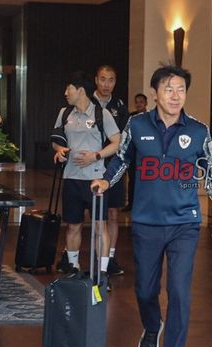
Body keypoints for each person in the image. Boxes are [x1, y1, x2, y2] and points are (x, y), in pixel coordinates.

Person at [91, 65, 212, 347]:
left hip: (185, 223)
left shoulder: (198, 130)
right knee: (145, 289)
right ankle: (152, 326)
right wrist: (104, 179)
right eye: (168, 89)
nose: (175, 95)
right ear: (155, 93)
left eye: (180, 89)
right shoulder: (137, 124)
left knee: (180, 292)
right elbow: (122, 159)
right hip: (146, 223)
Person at [52, 71, 120, 287]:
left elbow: (117, 143)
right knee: (73, 226)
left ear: (79, 90)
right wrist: (60, 149)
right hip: (71, 178)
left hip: (96, 181)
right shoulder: (64, 113)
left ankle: (101, 274)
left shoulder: (102, 114)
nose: (65, 93)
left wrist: (96, 155)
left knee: (100, 226)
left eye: (68, 89)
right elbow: (56, 140)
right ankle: (73, 268)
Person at [92, 65, 129, 276]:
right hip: (92, 164)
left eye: (111, 80)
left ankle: (111, 257)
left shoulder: (120, 106)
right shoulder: (87, 103)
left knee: (113, 213)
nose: (106, 84)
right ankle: (96, 258)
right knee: (96, 215)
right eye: (103, 79)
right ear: (96, 80)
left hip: (114, 164)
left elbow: (124, 136)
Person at [123, 93, 148, 212]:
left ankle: (144, 204)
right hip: (133, 153)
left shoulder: (150, 117)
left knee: (145, 180)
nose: (138, 104)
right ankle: (131, 203)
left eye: (141, 102)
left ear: (146, 104)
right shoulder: (131, 117)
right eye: (137, 102)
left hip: (146, 154)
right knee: (132, 179)